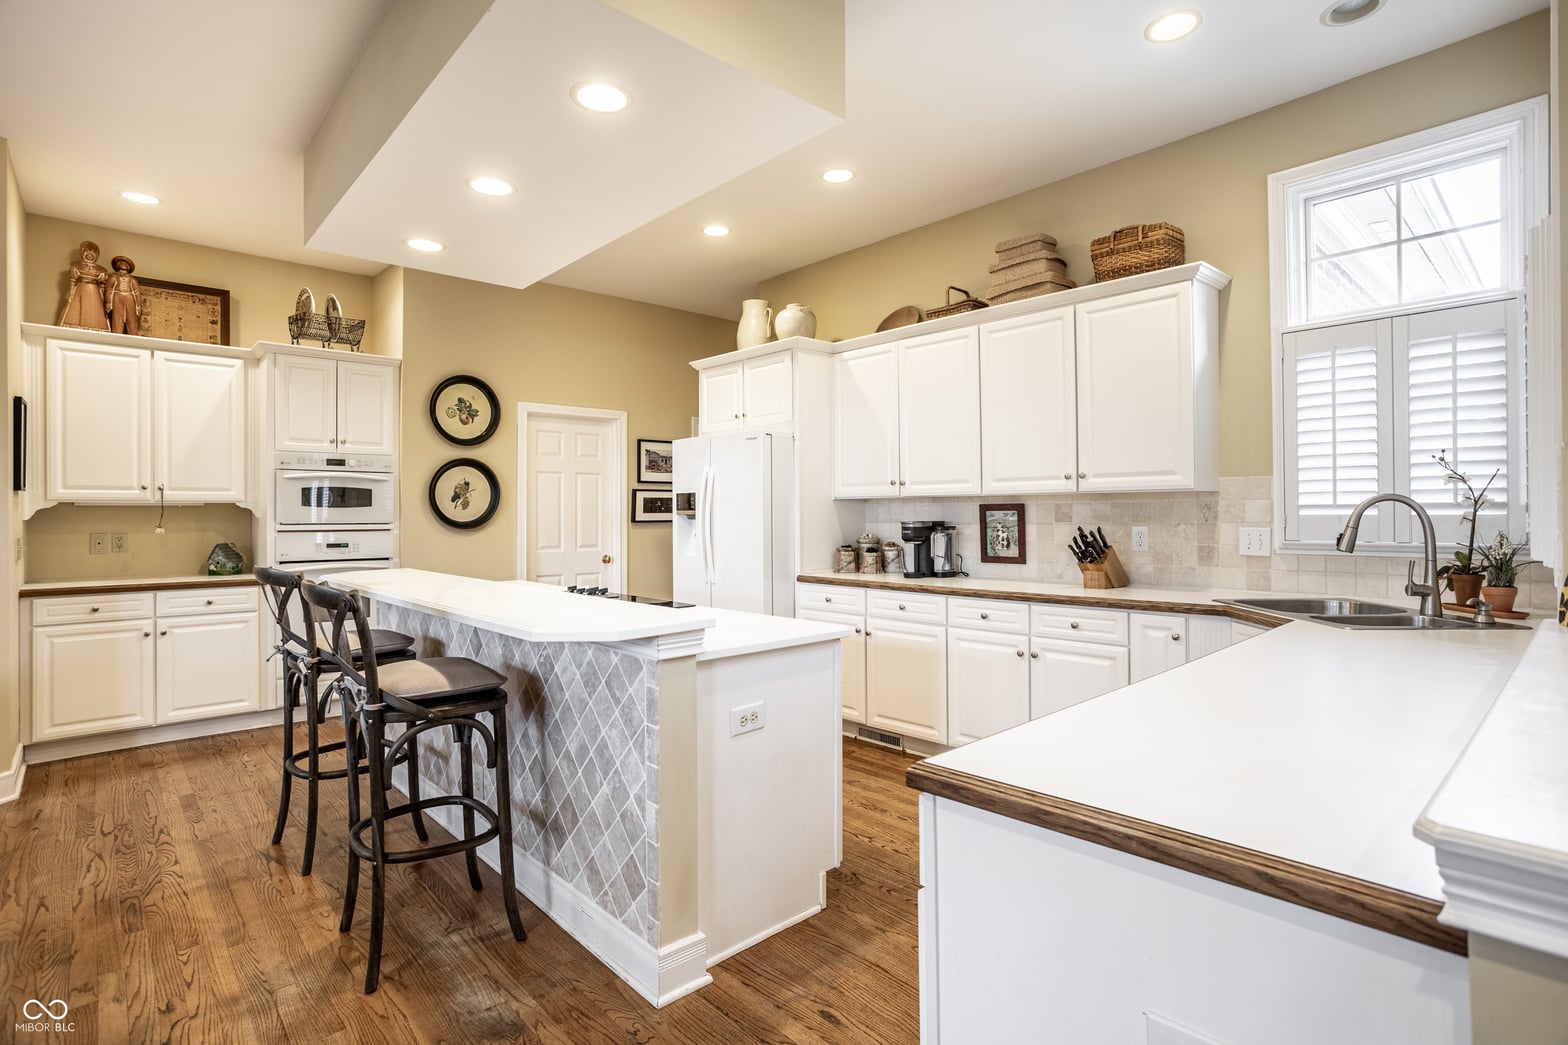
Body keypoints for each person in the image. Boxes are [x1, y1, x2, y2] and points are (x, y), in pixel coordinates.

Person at [58, 240, 109, 330]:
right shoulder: (77, 266)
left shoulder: (101, 270)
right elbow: (72, 280)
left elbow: (102, 285)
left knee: (95, 310)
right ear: (82, 253)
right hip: (81, 289)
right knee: (78, 307)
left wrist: (104, 300)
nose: (90, 255)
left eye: (93, 253)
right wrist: (70, 294)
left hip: (94, 291)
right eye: (87, 252)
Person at [104, 255, 141, 336]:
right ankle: (116, 334)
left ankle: (133, 334)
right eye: (121, 263)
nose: (123, 265)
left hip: (129, 298)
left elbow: (137, 292)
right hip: (117, 297)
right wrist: (109, 302)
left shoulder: (132, 279)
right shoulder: (114, 277)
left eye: (125, 264)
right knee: (117, 317)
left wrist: (138, 306)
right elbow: (109, 289)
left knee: (131, 318)